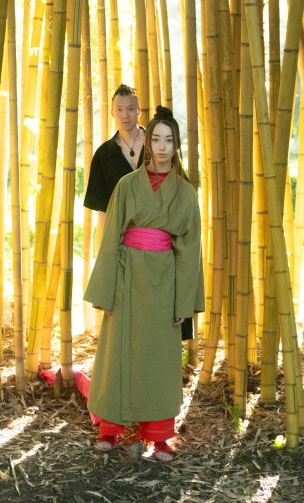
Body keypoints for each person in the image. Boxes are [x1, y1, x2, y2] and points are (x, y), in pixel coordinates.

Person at [83, 106, 204, 461]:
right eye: (156, 139)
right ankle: (110, 429)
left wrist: (184, 303)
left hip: (165, 281)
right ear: (147, 142)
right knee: (116, 352)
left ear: (176, 144)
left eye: (169, 140)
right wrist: (105, 290)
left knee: (159, 358)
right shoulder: (127, 185)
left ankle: (160, 436)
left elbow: (190, 251)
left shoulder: (186, 192)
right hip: (126, 274)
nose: (162, 146)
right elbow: (110, 238)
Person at [84, 84, 145, 236]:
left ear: (139, 111)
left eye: (130, 109)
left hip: (158, 240)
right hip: (122, 238)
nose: (125, 115)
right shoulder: (103, 155)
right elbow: (103, 209)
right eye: (120, 109)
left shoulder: (158, 146)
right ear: (112, 113)